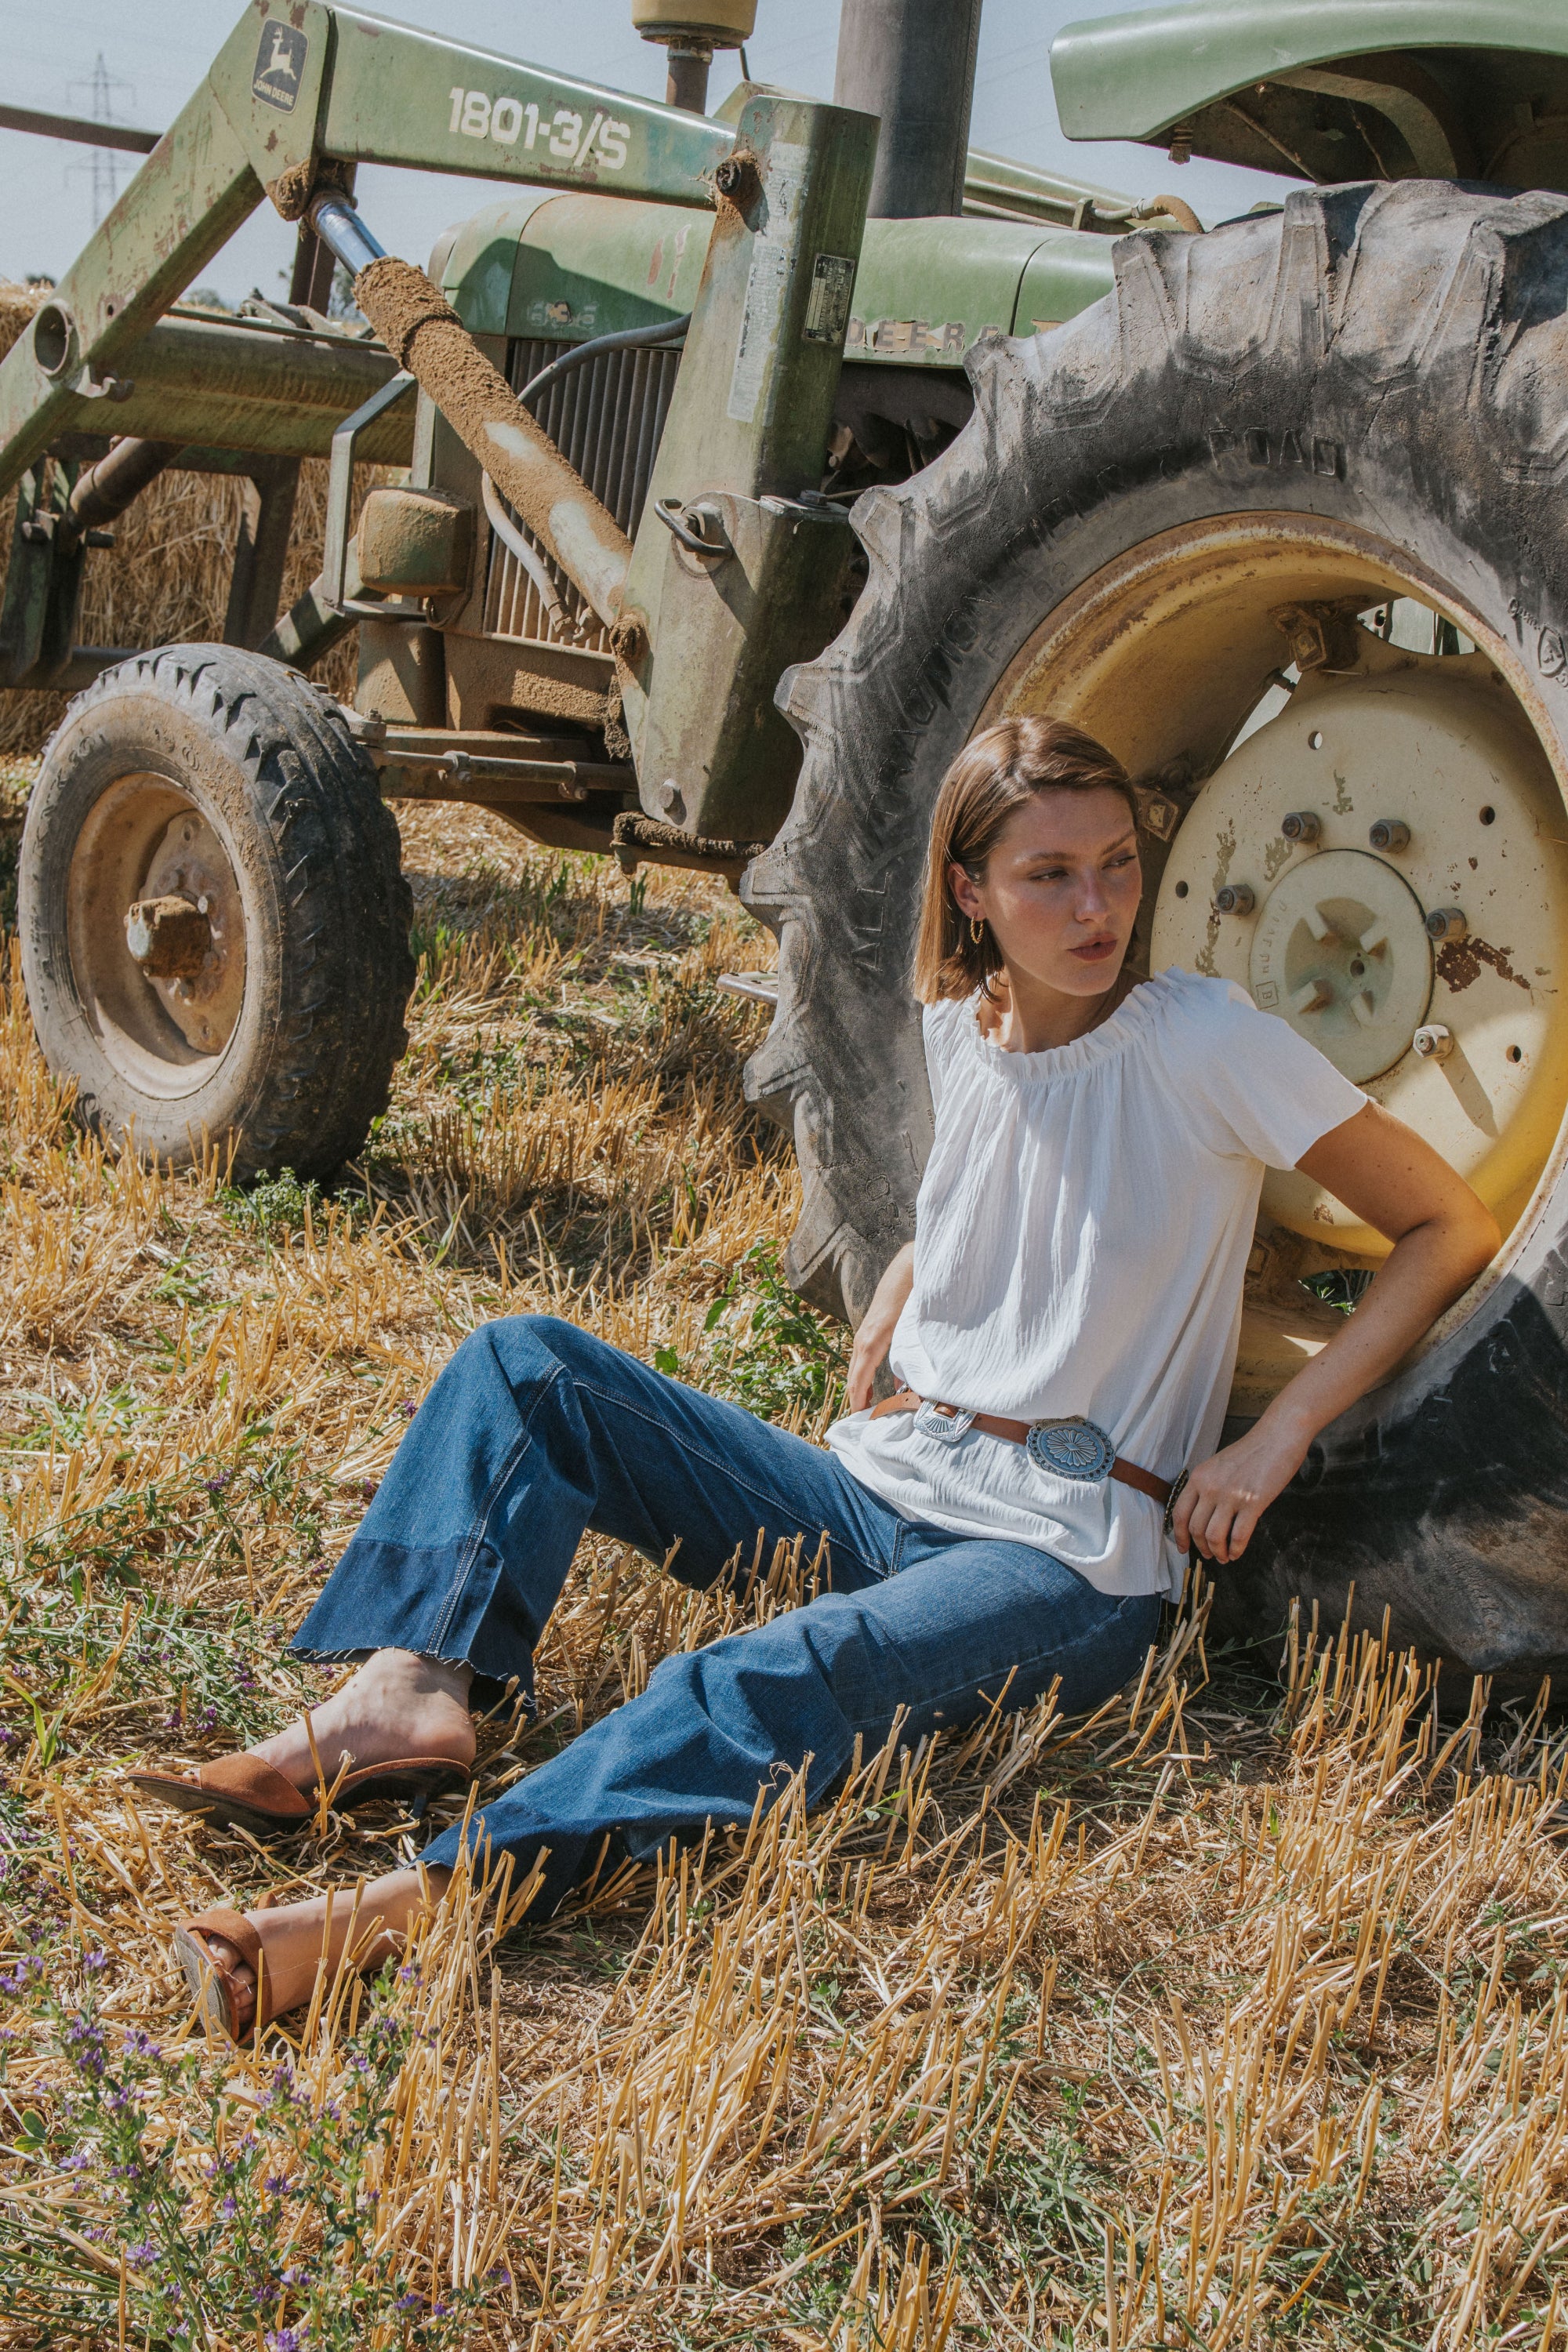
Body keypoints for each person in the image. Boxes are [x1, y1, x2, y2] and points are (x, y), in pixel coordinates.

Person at [135, 717, 1499, 2039]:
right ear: (969, 892)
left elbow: (1447, 1224)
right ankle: (411, 1692)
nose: (1100, 907)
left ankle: (413, 1904)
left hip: (1066, 1558)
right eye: (1049, 876)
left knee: (768, 1675)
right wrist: (918, 1252)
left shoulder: (1209, 1041)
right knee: (526, 1368)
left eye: (1118, 865)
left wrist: (1282, 1434)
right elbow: (1041, 1184)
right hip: (888, 1482)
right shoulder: (963, 1032)